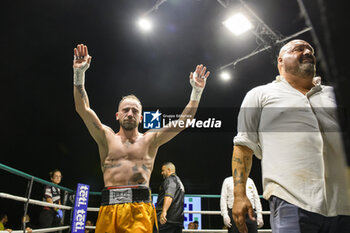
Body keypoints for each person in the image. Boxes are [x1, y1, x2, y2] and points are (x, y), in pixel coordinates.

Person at [72, 44, 210, 233]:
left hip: (139, 212)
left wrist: (196, 92)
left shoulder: (150, 140)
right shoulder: (105, 137)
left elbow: (182, 122)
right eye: (125, 110)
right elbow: (83, 109)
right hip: (109, 210)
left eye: (135, 111)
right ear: (117, 116)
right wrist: (78, 74)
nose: (130, 113)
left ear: (141, 117)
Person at [231, 39, 350, 233]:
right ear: (280, 61)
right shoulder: (260, 95)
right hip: (291, 201)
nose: (307, 52)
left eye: (310, 50)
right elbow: (243, 147)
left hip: (345, 203)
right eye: (298, 49)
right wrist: (239, 195)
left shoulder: (334, 95)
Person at [155, 162, 185, 233]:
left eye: (163, 170)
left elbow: (169, 195)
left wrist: (164, 212)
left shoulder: (170, 180)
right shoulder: (179, 181)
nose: (161, 173)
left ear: (168, 170)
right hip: (178, 221)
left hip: (167, 220)